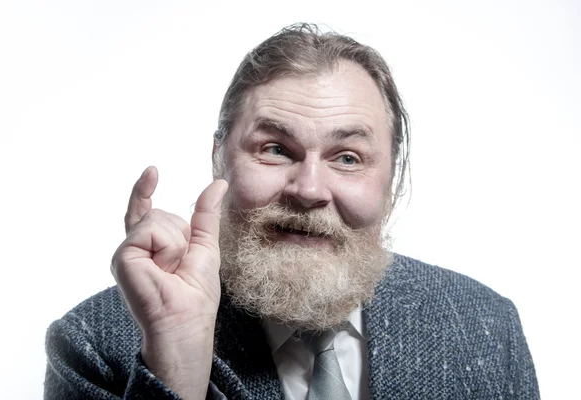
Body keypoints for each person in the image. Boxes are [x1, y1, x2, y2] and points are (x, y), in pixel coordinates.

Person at [44, 23, 539, 399]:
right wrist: (176, 357)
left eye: (347, 158)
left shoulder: (486, 326)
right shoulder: (93, 341)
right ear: (219, 159)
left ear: (394, 176)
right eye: (276, 149)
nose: (308, 189)